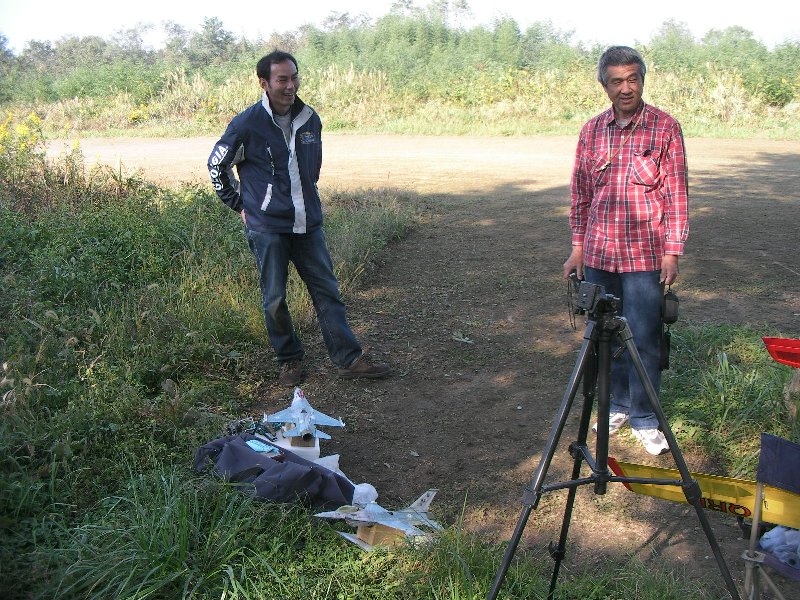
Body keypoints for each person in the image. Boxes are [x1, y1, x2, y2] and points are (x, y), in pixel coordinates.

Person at [208, 50, 390, 386]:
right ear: (264, 83)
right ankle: (289, 360)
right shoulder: (247, 125)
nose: (290, 85)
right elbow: (216, 165)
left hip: (308, 224)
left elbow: (311, 169)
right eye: (282, 79)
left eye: (294, 77)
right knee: (275, 298)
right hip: (268, 228)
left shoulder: (310, 119)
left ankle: (349, 359)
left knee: (327, 292)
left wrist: (307, 198)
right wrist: (240, 205)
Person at [562, 46, 689, 456]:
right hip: (599, 255)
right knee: (605, 335)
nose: (626, 88)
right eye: (616, 81)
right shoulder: (591, 131)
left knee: (644, 336)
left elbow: (677, 195)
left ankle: (645, 416)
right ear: (605, 86)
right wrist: (578, 248)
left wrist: (672, 251)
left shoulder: (665, 128)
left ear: (642, 80)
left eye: (633, 79)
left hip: (645, 257)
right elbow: (580, 194)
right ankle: (615, 405)